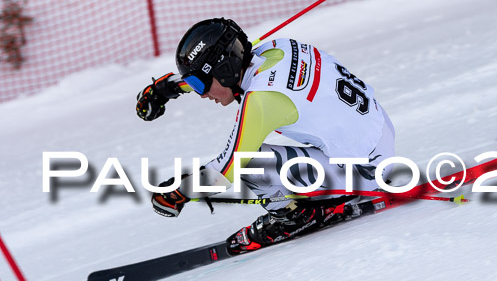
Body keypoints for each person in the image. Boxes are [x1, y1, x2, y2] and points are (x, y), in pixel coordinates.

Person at [136, 18, 395, 254]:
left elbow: (226, 172)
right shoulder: (276, 48)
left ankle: (295, 217)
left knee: (250, 163)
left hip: (364, 171)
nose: (202, 94)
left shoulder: (261, 99)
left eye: (199, 85)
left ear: (226, 69)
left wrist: (179, 192)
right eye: (194, 85)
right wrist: (168, 88)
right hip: (379, 130)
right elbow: (219, 69)